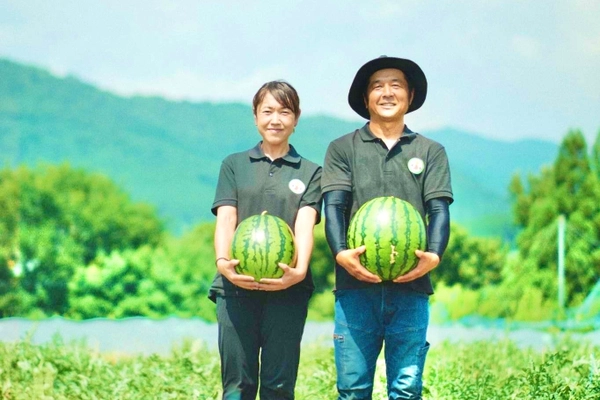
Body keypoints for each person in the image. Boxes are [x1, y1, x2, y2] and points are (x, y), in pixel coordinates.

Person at [322, 56, 453, 399]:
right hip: (355, 289)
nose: (387, 92)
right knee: (352, 389)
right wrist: (341, 254)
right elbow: (333, 206)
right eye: (377, 86)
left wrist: (434, 256)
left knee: (407, 389)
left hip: (411, 289)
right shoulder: (342, 149)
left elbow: (438, 210)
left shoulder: (431, 151)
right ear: (366, 99)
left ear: (409, 96)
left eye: (396, 85)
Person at [209, 80, 322, 400]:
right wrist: (223, 264)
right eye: (268, 111)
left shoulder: (311, 171)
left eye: (284, 112)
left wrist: (298, 272)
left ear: (296, 119)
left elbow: (305, 225)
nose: (276, 119)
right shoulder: (234, 165)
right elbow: (226, 218)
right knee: (237, 385)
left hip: (289, 289)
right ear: (256, 117)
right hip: (235, 286)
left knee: (279, 386)